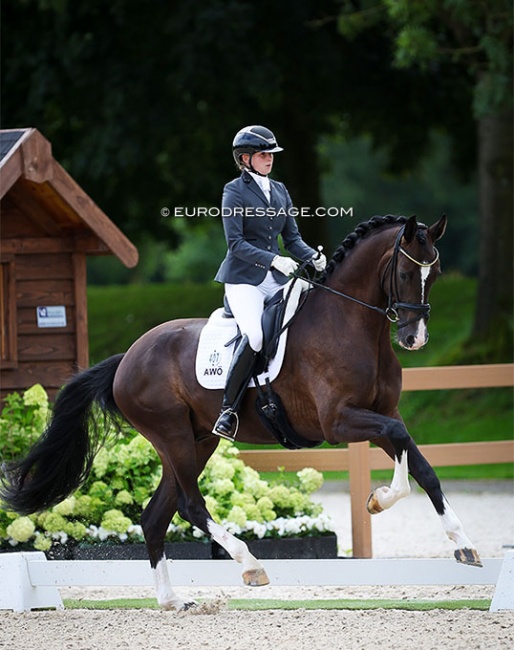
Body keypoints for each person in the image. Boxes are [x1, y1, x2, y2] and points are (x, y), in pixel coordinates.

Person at [212, 125, 327, 440]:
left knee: (310, 316)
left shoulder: (280, 191)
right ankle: (228, 410)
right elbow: (235, 243)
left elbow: (292, 238)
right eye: (264, 154)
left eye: (271, 154)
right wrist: (273, 259)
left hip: (275, 278)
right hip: (243, 279)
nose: (269, 159)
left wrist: (314, 258)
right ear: (245, 159)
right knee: (256, 336)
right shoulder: (233, 191)